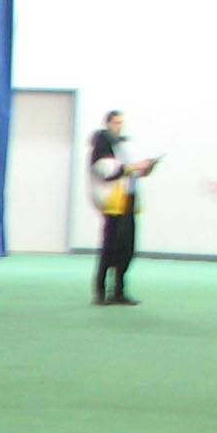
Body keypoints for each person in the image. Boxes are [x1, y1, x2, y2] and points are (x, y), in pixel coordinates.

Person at [86, 110, 154, 307]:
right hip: (113, 203)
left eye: (121, 122)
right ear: (107, 123)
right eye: (116, 122)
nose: (119, 126)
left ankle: (119, 291)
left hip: (129, 201)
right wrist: (134, 167)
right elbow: (108, 172)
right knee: (109, 248)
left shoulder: (126, 144)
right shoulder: (101, 145)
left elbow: (135, 170)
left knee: (126, 249)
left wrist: (146, 167)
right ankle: (100, 292)